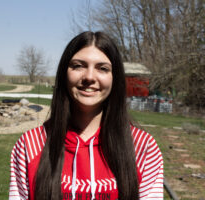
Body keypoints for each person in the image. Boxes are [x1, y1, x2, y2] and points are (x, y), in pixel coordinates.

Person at [9, 31, 163, 200]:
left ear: (115, 78)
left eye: (103, 68)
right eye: (78, 66)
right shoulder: (29, 146)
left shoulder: (143, 148)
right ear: (63, 74)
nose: (89, 77)